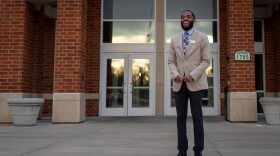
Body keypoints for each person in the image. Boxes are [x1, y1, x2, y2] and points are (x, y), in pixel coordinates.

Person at [168, 10, 210, 156]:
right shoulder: (174, 39)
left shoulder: (203, 38)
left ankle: (198, 151)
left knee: (197, 118)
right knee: (181, 119)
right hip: (179, 84)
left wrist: (192, 75)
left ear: (194, 20)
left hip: (196, 83)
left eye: (188, 17)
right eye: (182, 17)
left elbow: (206, 61)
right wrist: (176, 74)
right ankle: (182, 150)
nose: (185, 19)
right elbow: (171, 61)